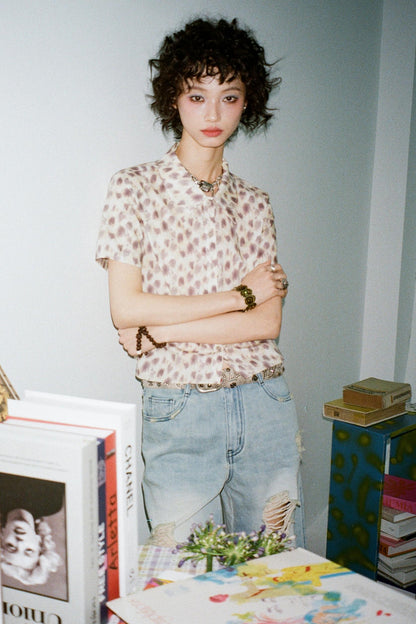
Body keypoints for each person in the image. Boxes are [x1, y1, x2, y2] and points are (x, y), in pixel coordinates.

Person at [96, 17, 304, 548]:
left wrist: (161, 331)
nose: (213, 114)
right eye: (197, 96)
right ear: (174, 98)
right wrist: (240, 295)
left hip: (264, 401)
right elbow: (127, 309)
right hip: (180, 407)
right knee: (183, 576)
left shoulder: (254, 203)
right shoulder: (134, 188)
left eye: (229, 97)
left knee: (272, 572)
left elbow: (266, 323)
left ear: (247, 103)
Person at [0, 473, 64, 585]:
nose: (20, 542)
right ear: (40, 542)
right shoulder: (52, 503)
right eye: (29, 550)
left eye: (11, 546)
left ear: (2, 536)